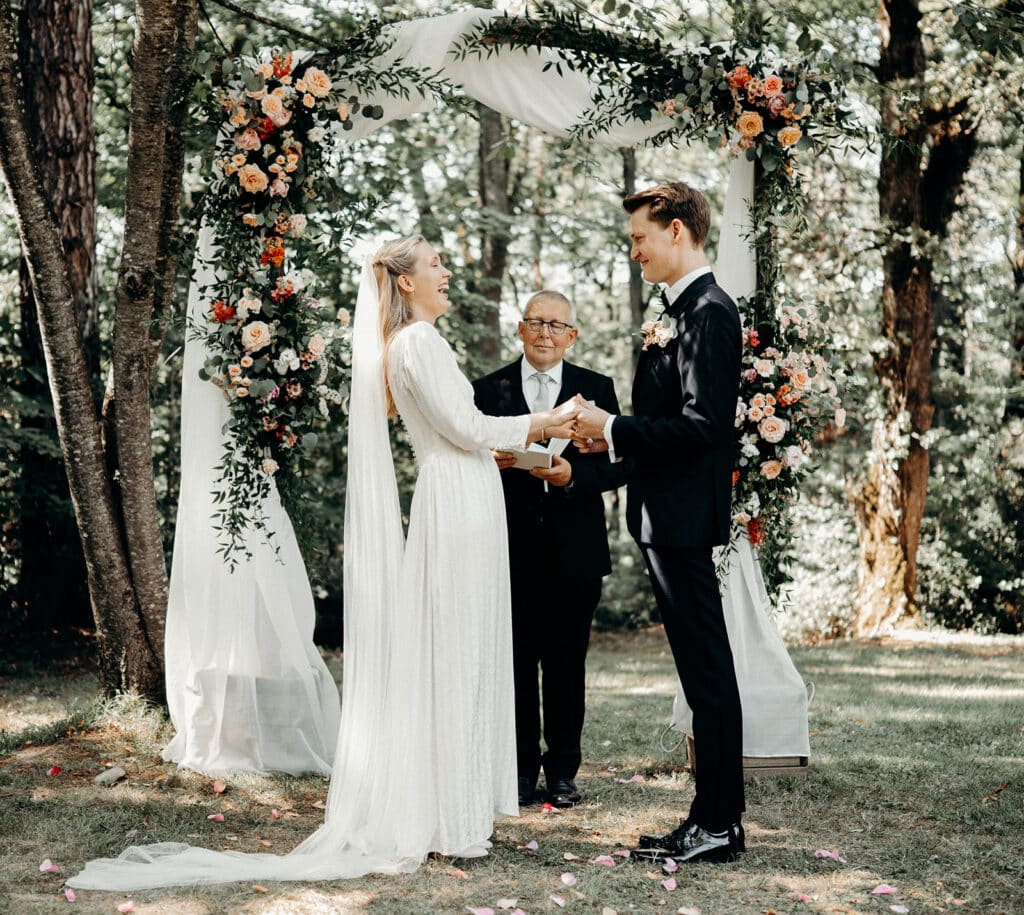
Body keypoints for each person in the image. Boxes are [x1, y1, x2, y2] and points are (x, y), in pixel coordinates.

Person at [66, 236, 580, 891]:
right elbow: (469, 426)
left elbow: (461, 431)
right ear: (403, 282)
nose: (448, 271)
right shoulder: (418, 342)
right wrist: (549, 420)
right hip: (456, 502)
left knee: (463, 647)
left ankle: (458, 810)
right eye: (435, 265)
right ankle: (450, 817)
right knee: (455, 650)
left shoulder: (414, 343)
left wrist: (500, 445)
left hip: (462, 492)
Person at [572, 182, 746, 864]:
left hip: (681, 517)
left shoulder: (710, 312)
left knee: (709, 673)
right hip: (659, 515)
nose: (635, 249)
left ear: (678, 230)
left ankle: (721, 823)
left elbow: (703, 426)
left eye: (642, 236)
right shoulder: (674, 310)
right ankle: (709, 817)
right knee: (699, 671)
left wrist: (615, 424)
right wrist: (609, 440)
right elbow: (665, 420)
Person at [473, 291, 630, 809]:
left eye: (556, 325)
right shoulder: (487, 390)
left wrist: (572, 476)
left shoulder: (596, 389)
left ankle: (564, 772)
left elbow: (622, 465)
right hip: (507, 550)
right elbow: (465, 456)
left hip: (575, 551)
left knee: (567, 665)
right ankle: (518, 770)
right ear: (520, 329)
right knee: (514, 663)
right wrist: (485, 465)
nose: (545, 333)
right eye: (536, 323)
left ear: (572, 335)